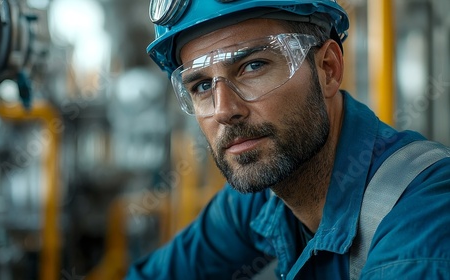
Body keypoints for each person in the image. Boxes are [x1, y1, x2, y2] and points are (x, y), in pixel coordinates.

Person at [126, 0, 450, 279]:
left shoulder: (423, 222)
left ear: (328, 69)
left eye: (252, 66)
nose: (224, 111)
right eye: (201, 86)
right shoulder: (262, 197)